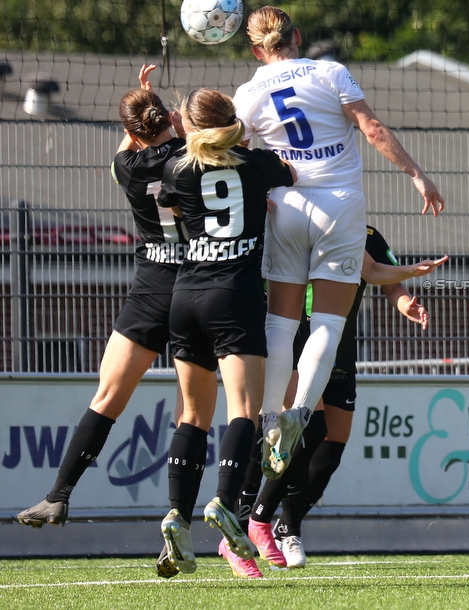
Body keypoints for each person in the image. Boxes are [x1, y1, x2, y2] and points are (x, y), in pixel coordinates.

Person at [233, 6, 445, 481]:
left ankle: (269, 418)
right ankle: (299, 414)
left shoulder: (247, 93)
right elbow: (372, 130)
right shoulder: (331, 73)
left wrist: (258, 195)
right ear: (298, 37)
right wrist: (417, 175)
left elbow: (238, 155)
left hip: (284, 207)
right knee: (328, 321)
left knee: (280, 325)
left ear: (255, 49)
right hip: (339, 206)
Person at [16, 65, 193, 578]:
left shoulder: (126, 167)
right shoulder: (193, 157)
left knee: (108, 397)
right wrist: (174, 122)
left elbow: (131, 145)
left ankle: (58, 495)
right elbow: (186, 135)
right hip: (197, 284)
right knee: (190, 414)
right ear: (169, 120)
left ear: (133, 131)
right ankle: (177, 523)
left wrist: (144, 104)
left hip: (150, 287)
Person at [237, 227, 444, 573]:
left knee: (331, 443)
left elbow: (383, 277)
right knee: (304, 430)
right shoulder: (294, 224)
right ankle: (255, 518)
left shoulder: (364, 232)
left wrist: (405, 302)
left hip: (339, 350)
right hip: (298, 340)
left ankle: (286, 525)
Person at [156, 88, 296, 575]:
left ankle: (177, 514)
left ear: (191, 125)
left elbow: (169, 210)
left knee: (191, 416)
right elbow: (292, 173)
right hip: (233, 298)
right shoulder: (257, 165)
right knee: (245, 411)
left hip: (185, 296)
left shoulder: (175, 167)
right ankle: (224, 502)